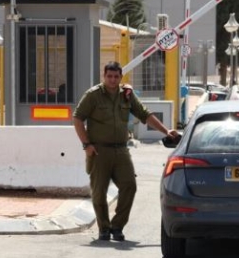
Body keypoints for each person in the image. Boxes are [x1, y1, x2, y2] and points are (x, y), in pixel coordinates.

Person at [73, 61, 180, 241]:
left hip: (121, 150)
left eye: (116, 77)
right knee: (99, 191)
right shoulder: (93, 95)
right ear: (104, 76)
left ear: (121, 77)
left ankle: (117, 226)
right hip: (99, 151)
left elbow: (145, 115)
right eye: (109, 76)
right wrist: (87, 144)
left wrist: (166, 131)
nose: (112, 80)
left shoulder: (127, 95)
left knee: (129, 185)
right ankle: (104, 228)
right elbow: (77, 119)